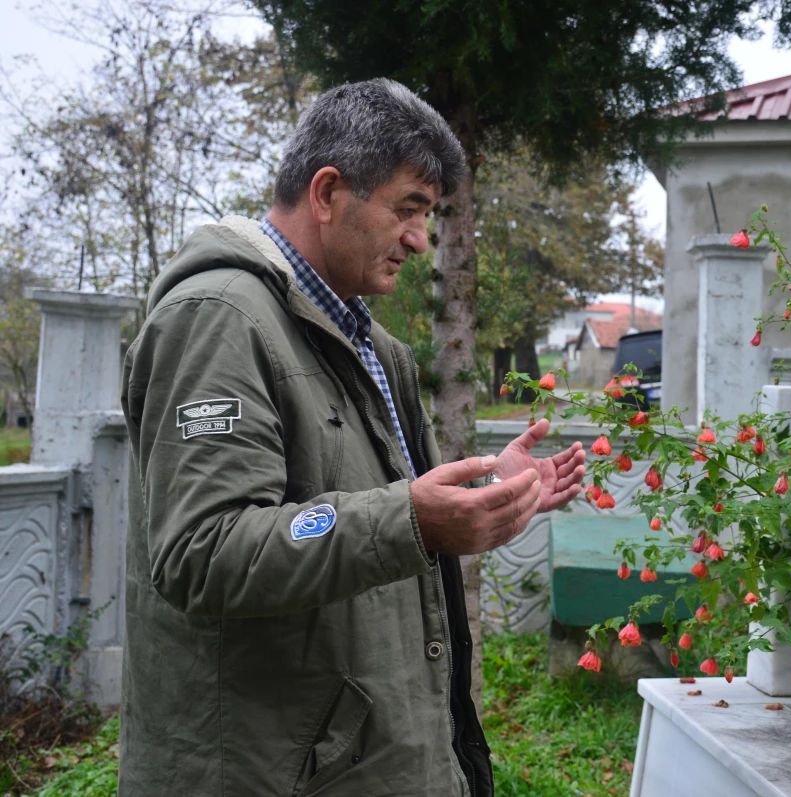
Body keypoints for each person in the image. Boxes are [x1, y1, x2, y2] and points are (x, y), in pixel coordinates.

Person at [118, 78, 585, 797]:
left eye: (427, 216)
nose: (420, 239)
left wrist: (490, 496)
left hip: (375, 762)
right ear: (329, 191)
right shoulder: (218, 317)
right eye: (409, 209)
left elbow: (373, 509)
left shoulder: (373, 345)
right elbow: (201, 550)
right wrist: (412, 519)